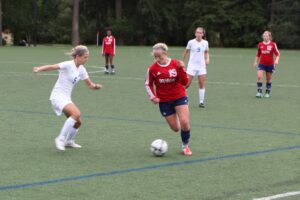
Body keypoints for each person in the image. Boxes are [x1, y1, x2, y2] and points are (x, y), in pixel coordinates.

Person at [33, 45, 102, 151]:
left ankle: (69, 142)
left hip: (66, 98)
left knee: (78, 122)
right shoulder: (68, 64)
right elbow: (52, 67)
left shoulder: (82, 69)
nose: (86, 59)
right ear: (77, 56)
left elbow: (89, 84)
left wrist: (95, 86)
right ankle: (60, 139)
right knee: (76, 113)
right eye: (85, 57)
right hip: (57, 96)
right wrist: (39, 68)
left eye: (87, 57)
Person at [145, 43, 192, 156]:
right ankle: (182, 129)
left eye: (159, 56)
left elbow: (185, 82)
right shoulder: (152, 69)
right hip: (164, 101)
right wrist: (153, 97)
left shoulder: (176, 64)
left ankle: (185, 145)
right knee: (176, 128)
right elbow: (148, 84)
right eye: (155, 57)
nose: (157, 59)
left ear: (165, 53)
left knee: (185, 122)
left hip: (179, 96)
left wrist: (181, 69)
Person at [182, 27, 209, 108]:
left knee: (201, 84)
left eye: (200, 33)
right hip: (192, 66)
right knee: (186, 84)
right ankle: (183, 98)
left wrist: (207, 59)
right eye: (197, 32)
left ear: (203, 34)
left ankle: (201, 102)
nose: (198, 34)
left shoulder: (205, 43)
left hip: (201, 66)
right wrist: (183, 62)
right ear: (195, 33)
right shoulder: (191, 42)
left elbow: (206, 52)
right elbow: (186, 52)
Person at [253, 30, 280, 98]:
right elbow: (258, 54)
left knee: (268, 79)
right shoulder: (260, 44)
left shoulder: (273, 44)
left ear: (269, 37)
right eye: (264, 35)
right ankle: (259, 92)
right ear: (262, 37)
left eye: (266, 35)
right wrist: (255, 62)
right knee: (259, 77)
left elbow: (277, 54)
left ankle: (267, 93)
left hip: (270, 64)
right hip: (262, 64)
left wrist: (276, 60)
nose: (265, 37)